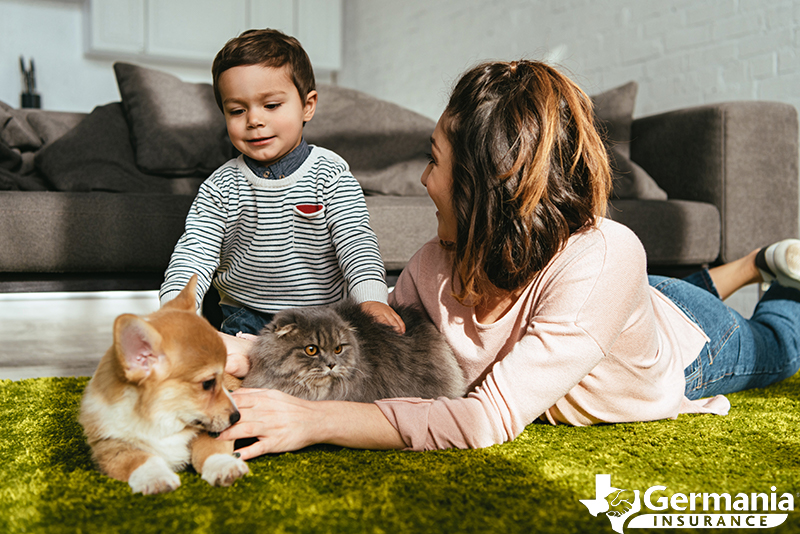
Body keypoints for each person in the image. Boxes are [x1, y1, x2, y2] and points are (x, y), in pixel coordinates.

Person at [217, 60, 800, 457]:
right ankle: (750, 262)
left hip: (692, 345)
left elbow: (484, 420)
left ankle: (779, 277)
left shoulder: (604, 257)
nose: (423, 180)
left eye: (434, 159)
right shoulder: (431, 263)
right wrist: (246, 350)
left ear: (480, 184)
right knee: (643, 295)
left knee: (780, 342)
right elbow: (374, 339)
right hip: (619, 307)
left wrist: (315, 422)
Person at [159, 29, 404, 335]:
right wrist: (176, 308)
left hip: (323, 317)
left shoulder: (330, 175)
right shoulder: (219, 186)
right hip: (247, 314)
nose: (254, 120)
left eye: (271, 105)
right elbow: (194, 252)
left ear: (307, 106)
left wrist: (372, 299)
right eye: (237, 110)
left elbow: (356, 243)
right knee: (239, 373)